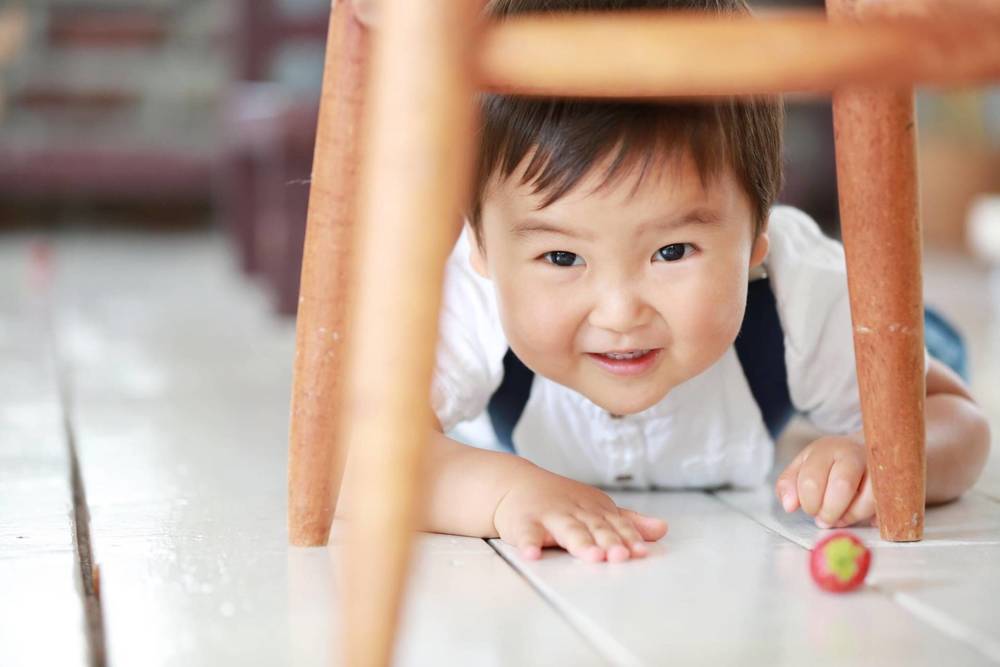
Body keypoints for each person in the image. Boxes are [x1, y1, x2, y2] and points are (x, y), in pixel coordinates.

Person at [340, 0, 992, 563]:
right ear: (481, 246)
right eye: (563, 259)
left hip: (815, 336)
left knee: (907, 340)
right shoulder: (475, 293)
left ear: (754, 238)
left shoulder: (801, 293)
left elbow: (958, 420)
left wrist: (878, 454)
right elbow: (357, 456)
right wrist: (503, 492)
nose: (620, 312)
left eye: (672, 249)